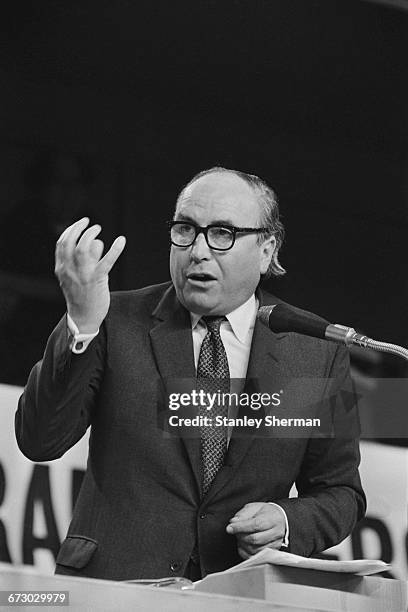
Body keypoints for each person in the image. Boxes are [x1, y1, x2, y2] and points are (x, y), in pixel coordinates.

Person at [15, 167, 365, 581]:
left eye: (222, 233)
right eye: (185, 229)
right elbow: (40, 439)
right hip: (113, 592)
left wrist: (286, 520)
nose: (197, 250)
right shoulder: (113, 319)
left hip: (239, 594)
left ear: (267, 250)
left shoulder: (315, 352)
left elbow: (340, 493)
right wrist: (81, 321)